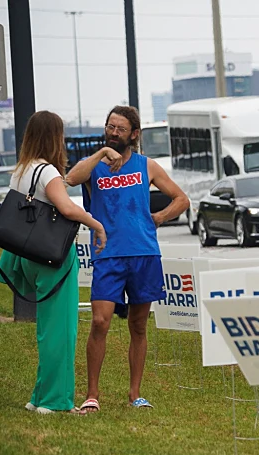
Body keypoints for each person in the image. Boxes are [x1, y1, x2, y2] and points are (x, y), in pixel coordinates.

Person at [66, 106, 189, 412]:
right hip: (108, 254)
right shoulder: (94, 167)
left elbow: (182, 199)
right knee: (99, 321)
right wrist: (101, 153)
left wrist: (158, 217)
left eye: (120, 128)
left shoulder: (146, 166)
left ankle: (135, 394)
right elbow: (70, 179)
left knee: (138, 326)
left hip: (144, 253)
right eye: (110, 127)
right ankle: (92, 394)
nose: (114, 132)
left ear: (134, 134)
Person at [0, 111, 108, 415]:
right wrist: (95, 224)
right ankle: (55, 401)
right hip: (53, 259)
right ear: (53, 138)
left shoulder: (21, 169)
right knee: (61, 330)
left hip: (28, 256)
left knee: (47, 330)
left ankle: (39, 395)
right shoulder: (47, 172)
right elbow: (66, 207)